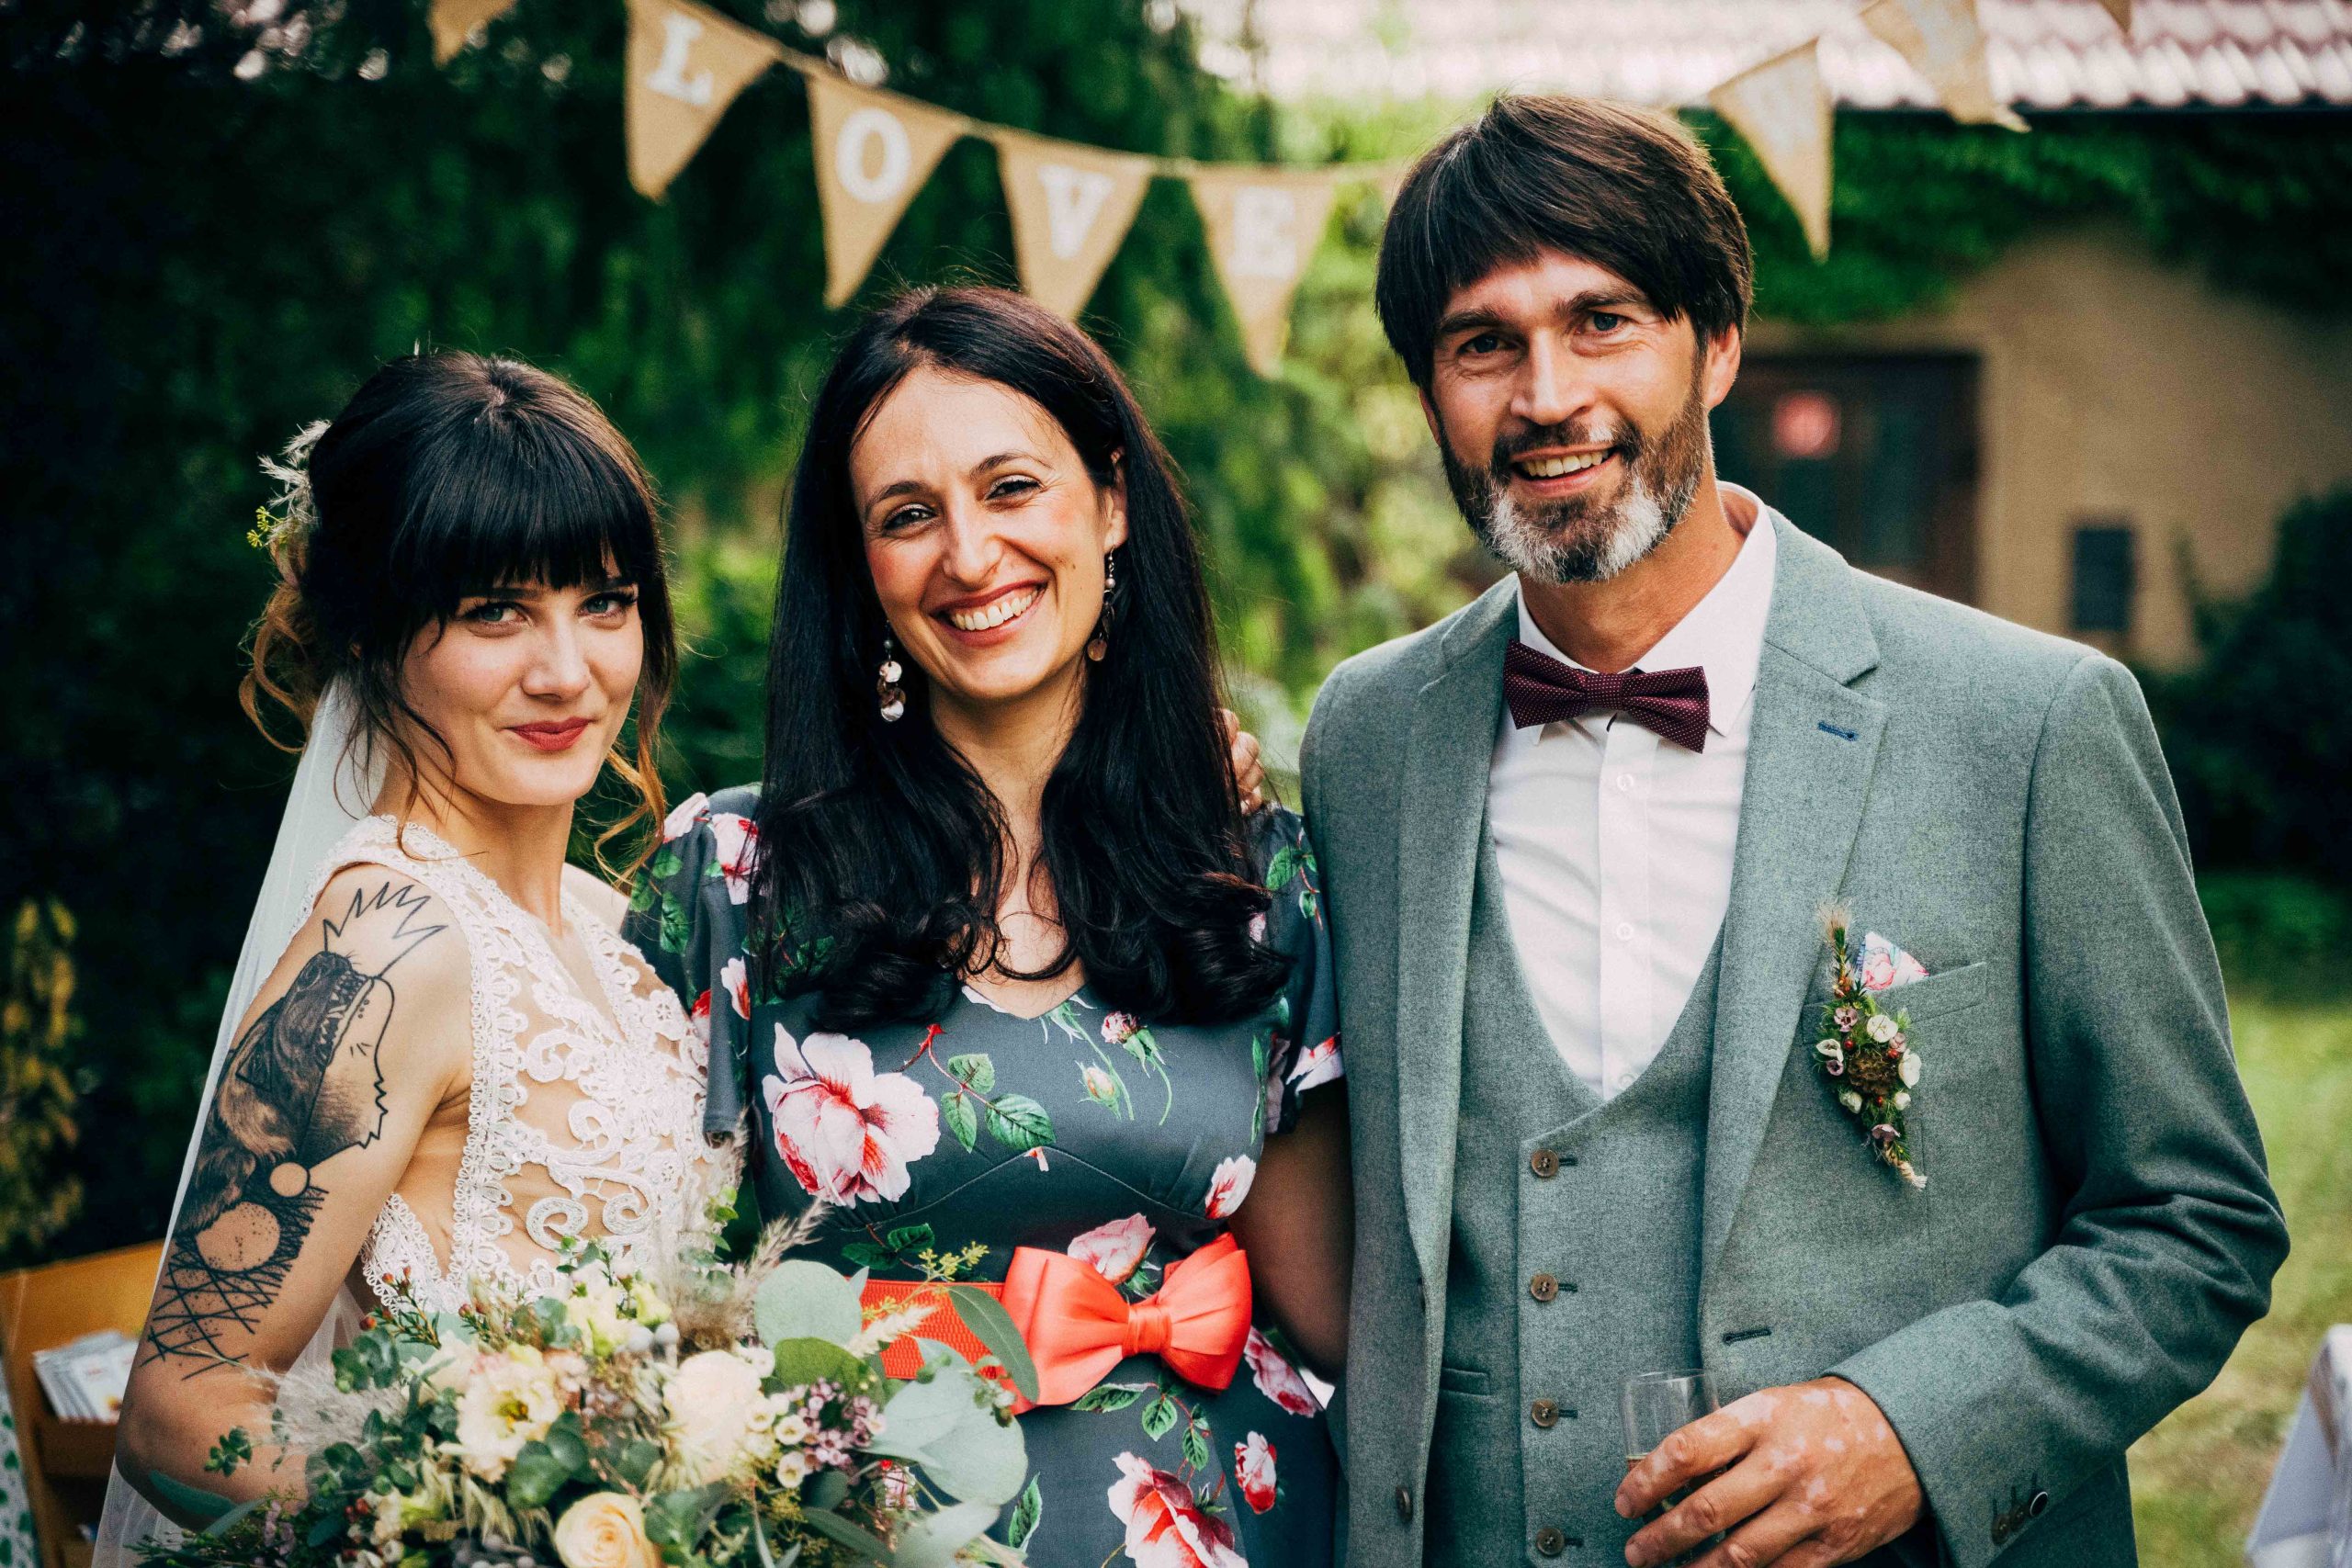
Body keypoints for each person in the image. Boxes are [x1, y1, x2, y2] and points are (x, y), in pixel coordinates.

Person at [1301, 95, 2289, 1568]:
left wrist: (1914, 1429)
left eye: (1604, 320)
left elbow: (2195, 1221)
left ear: (1719, 345)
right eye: (1480, 343)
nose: (1545, 393)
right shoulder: (1366, 739)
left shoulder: (2027, 724)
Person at [628, 285, 1351, 1565]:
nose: (969, 556)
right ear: (862, 569)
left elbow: (1344, 1308)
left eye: (1012, 488)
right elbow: (637, 1313)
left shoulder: (1255, 874)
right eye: (909, 517)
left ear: (1111, 503)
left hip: (1236, 1521)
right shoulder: (733, 877)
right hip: (869, 1535)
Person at [107, 353, 736, 1546]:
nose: (567, 670)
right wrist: (488, 1531)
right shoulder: (385, 948)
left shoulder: (612, 934)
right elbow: (177, 1410)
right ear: (374, 633)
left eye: (603, 601)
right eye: (495, 610)